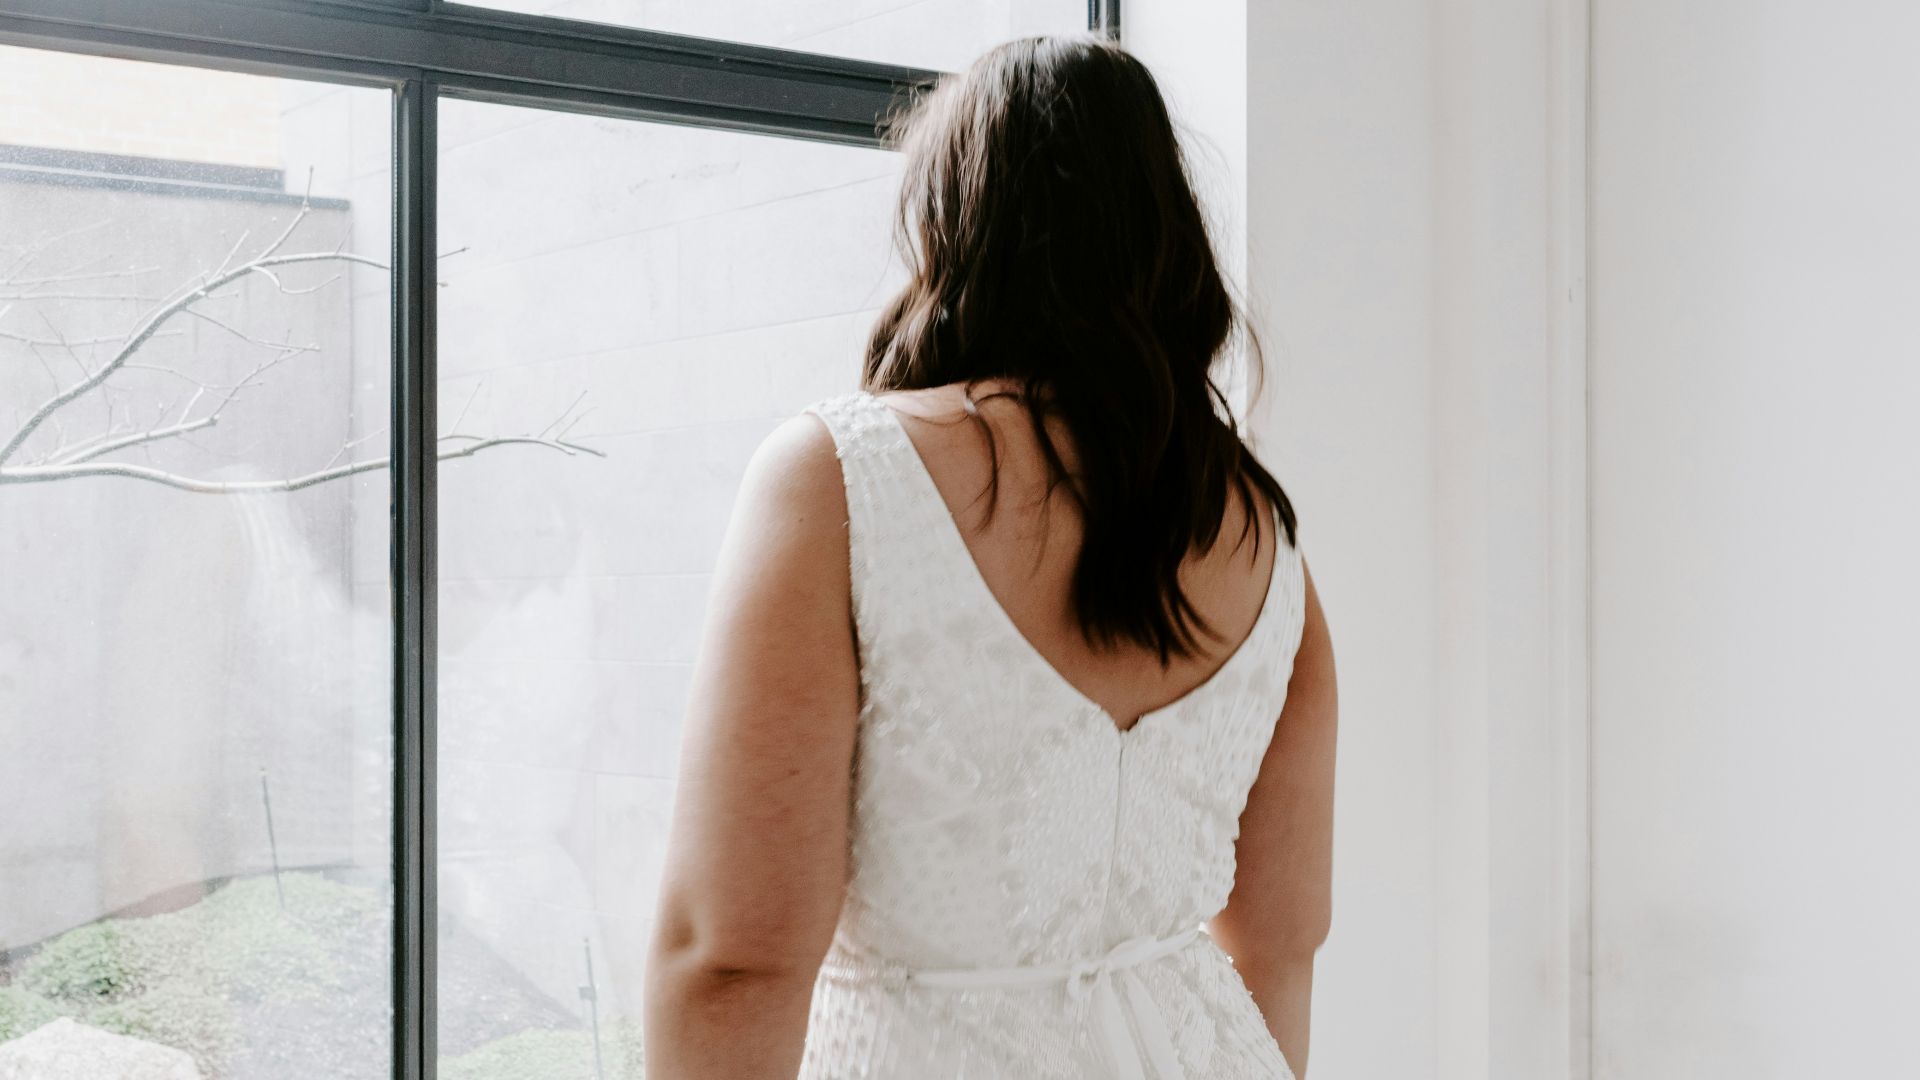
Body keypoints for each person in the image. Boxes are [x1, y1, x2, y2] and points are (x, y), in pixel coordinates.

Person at [644, 34, 1337, 1080]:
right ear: (1166, 233)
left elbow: (731, 958)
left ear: (950, 220)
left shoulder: (843, 480)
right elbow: (1280, 947)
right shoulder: (1261, 535)